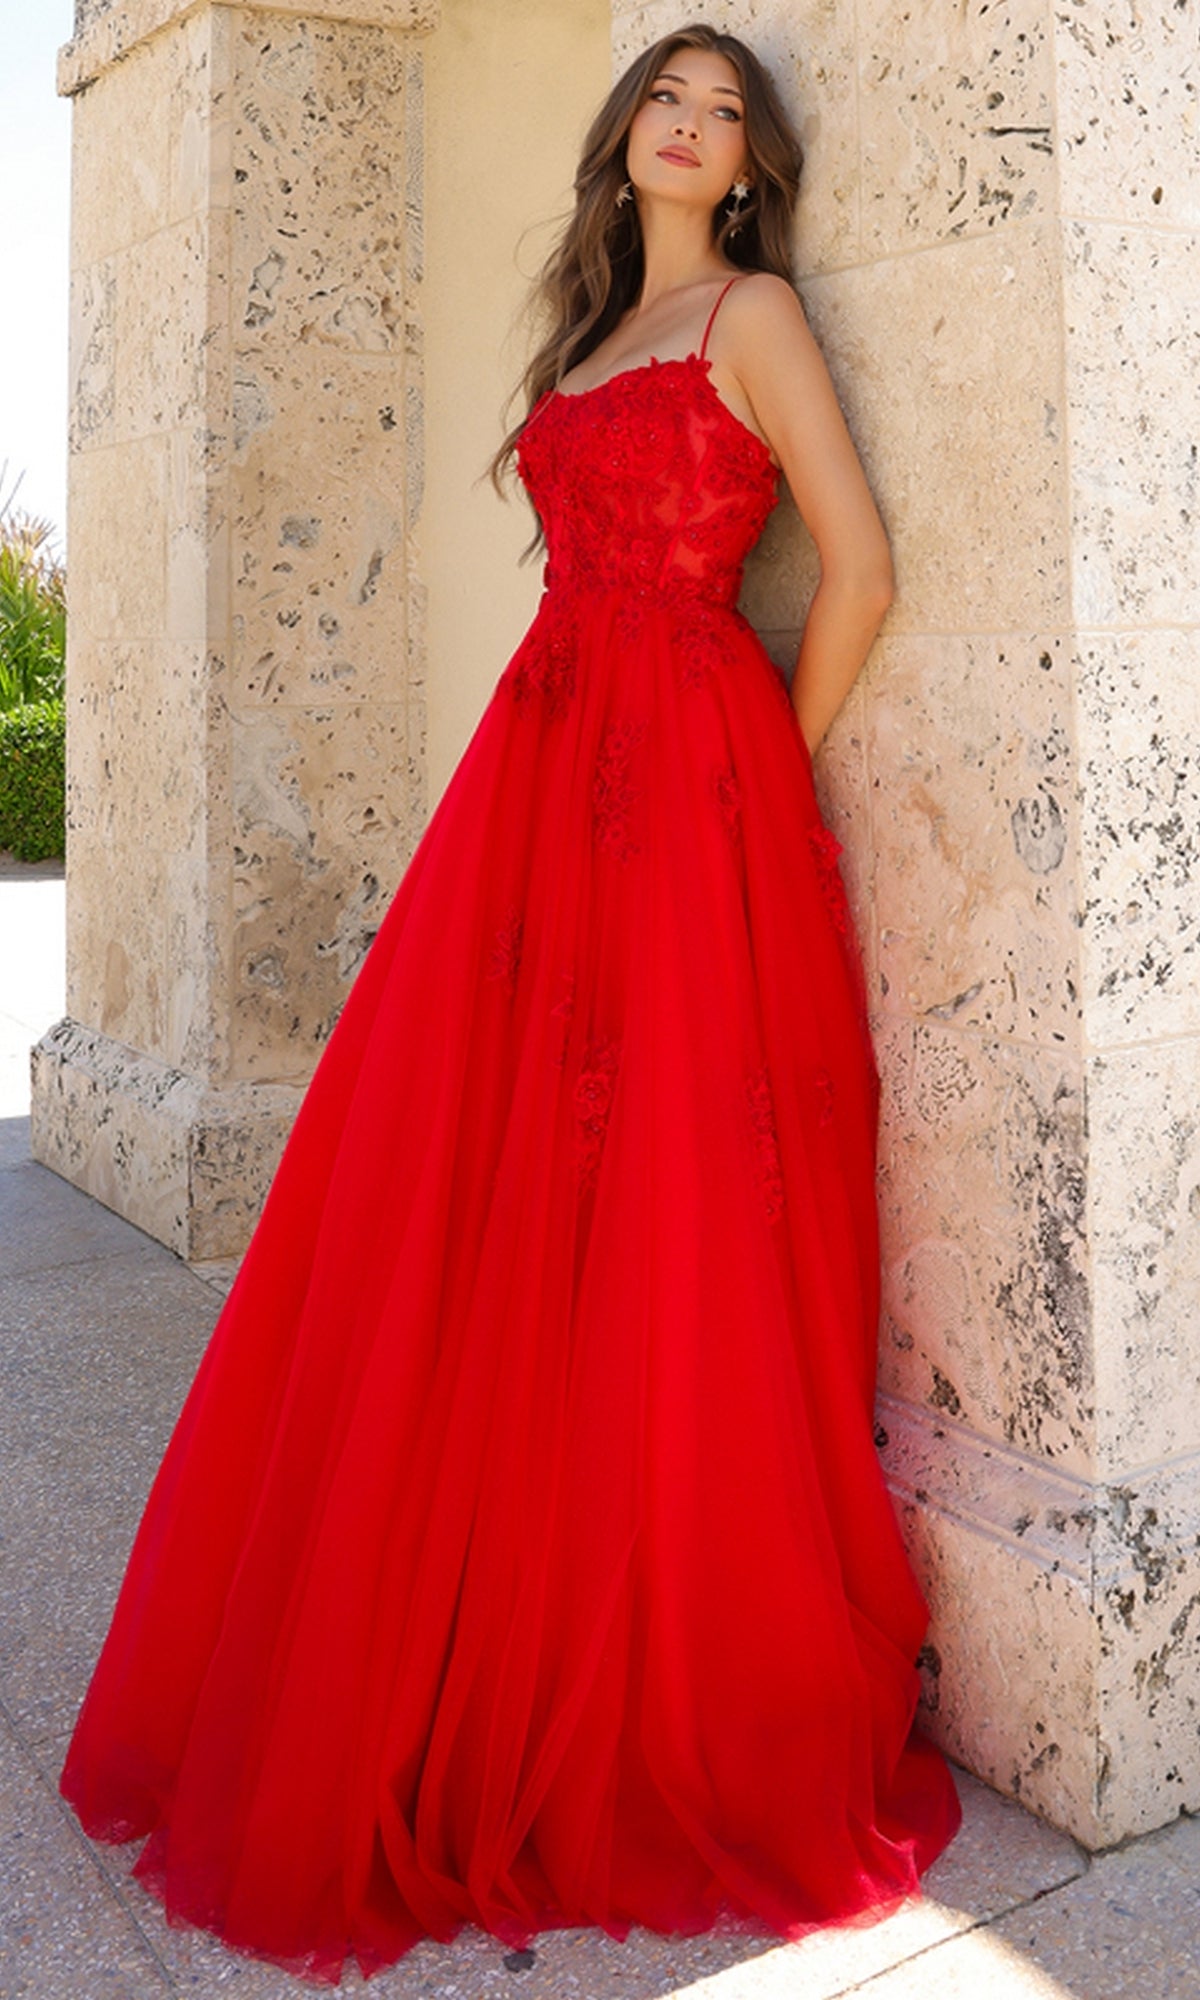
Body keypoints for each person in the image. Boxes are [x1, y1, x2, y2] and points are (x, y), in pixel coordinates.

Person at [59, 21, 962, 1983]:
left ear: (749, 167)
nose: (692, 123)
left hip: (690, 771)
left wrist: (762, 774)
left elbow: (865, 569)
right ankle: (493, 1604)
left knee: (673, 1213)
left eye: (727, 112)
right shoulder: (579, 343)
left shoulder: (757, 317)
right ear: (625, 130)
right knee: (489, 1196)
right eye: (669, 93)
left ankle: (651, 1650)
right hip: (538, 774)